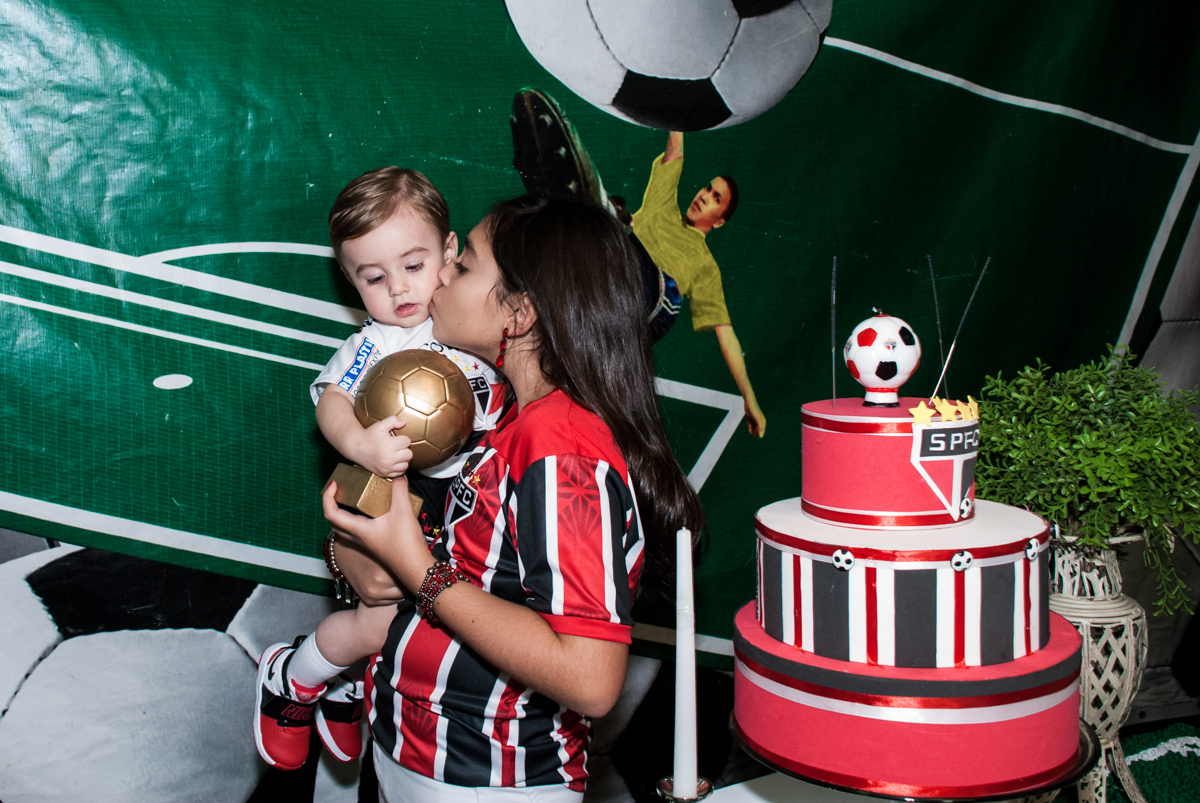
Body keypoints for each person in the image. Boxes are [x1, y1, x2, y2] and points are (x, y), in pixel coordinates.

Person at [322, 196, 705, 801]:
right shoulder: (501, 412)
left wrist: (417, 568)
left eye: (464, 265)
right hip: (414, 750)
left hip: (487, 775)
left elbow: (589, 678)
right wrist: (357, 549)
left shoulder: (562, 450)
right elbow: (438, 568)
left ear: (519, 312)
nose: (440, 276)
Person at [253, 167, 506, 771]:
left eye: (413, 265)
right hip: (398, 494)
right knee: (384, 620)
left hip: (473, 501)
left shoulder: (476, 320)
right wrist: (361, 446)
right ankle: (295, 675)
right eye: (373, 277)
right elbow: (332, 400)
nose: (398, 289)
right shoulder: (379, 342)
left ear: (450, 251)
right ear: (351, 282)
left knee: (443, 623)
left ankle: (348, 683)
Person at [630, 130, 767, 438]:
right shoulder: (662, 205)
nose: (704, 196)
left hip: (639, 311)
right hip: (604, 280)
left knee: (669, 294)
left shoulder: (705, 266)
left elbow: (725, 334)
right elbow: (675, 148)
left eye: (715, 199)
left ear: (719, 221)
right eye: (707, 188)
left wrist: (749, 399)